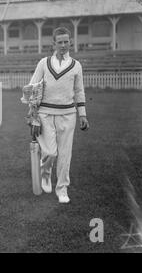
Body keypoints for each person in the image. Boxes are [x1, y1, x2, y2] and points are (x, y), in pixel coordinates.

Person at [27, 27, 89, 203]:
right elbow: (33, 87)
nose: (63, 45)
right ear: (53, 44)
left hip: (68, 115)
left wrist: (82, 114)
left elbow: (79, 91)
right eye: (59, 42)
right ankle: (45, 174)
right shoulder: (43, 63)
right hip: (45, 113)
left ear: (71, 42)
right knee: (50, 153)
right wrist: (32, 113)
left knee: (64, 155)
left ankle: (62, 189)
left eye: (66, 41)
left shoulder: (76, 65)